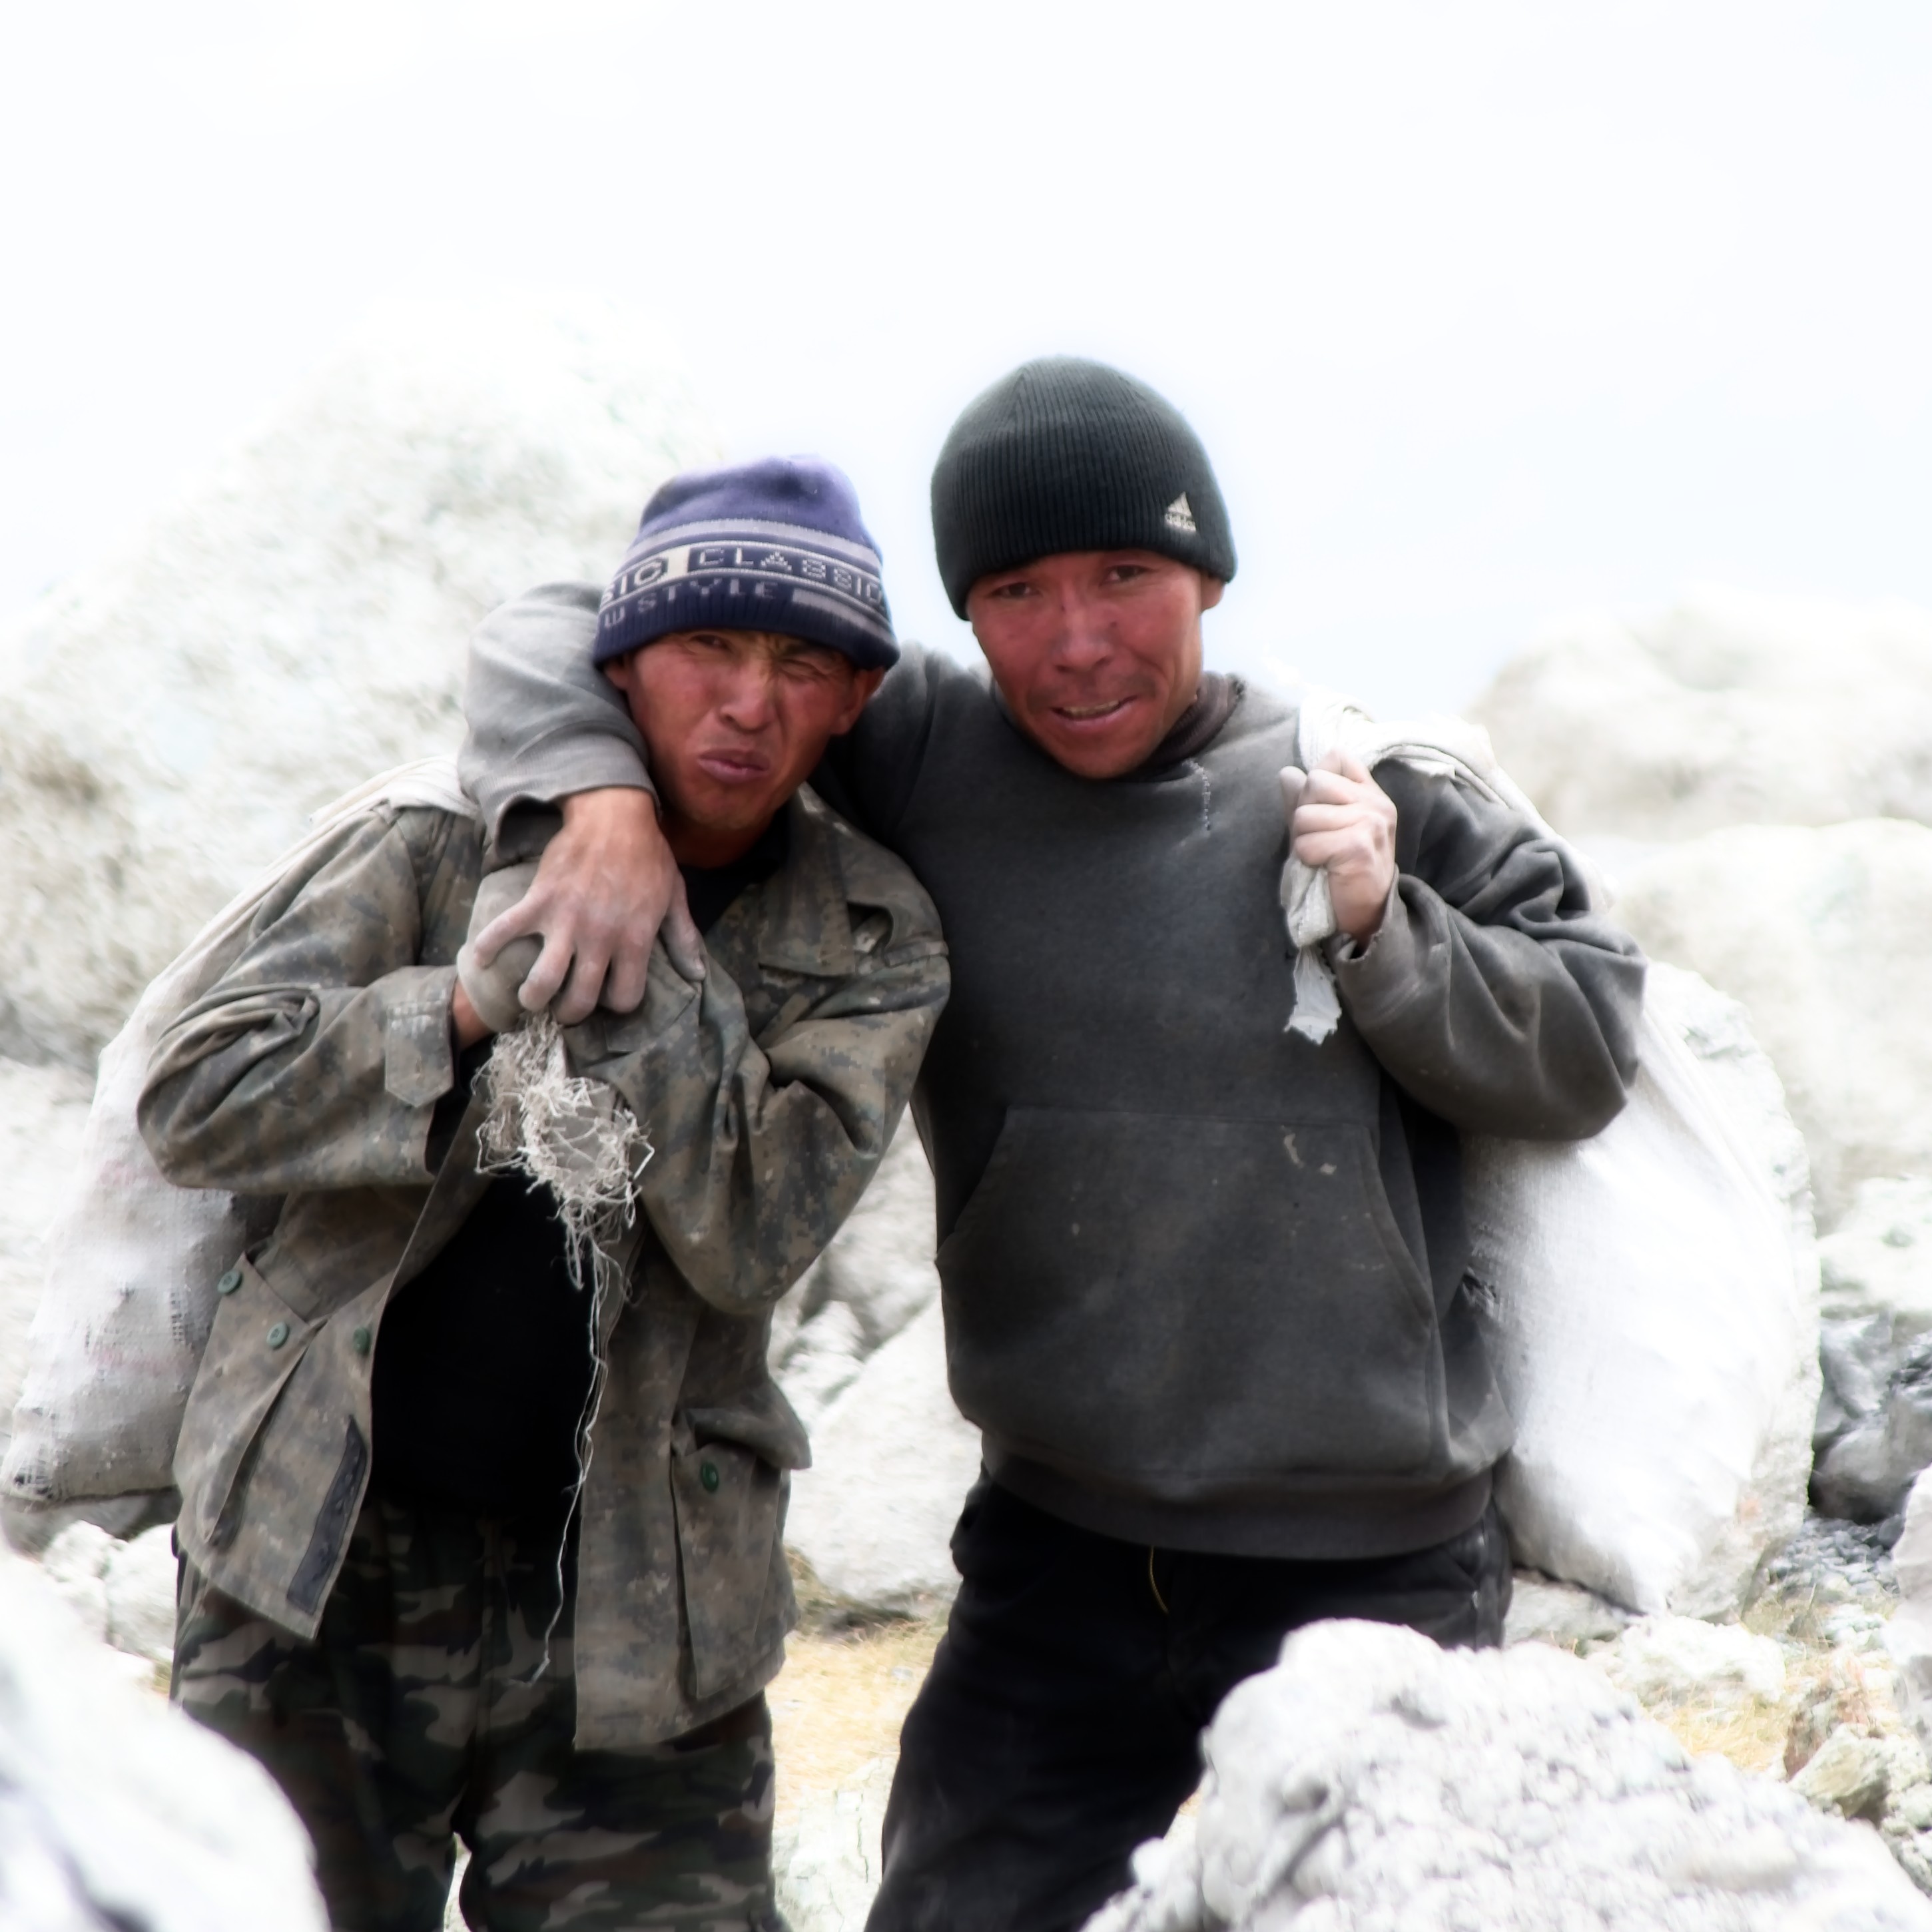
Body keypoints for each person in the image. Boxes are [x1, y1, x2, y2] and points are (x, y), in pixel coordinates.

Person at [453, 360, 1648, 1932]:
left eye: (1123, 575)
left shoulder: (1368, 784)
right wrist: (600, 794)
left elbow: (1587, 1048)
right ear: (964, 614)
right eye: (1016, 592)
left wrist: (1381, 926)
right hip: (1055, 1559)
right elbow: (553, 624)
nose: (1075, 640)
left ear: (1206, 575)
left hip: (1372, 1562)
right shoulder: (927, 754)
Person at [137, 457, 949, 1932]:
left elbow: (751, 1235)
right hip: (317, 1560)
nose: (748, 703)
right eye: (708, 647)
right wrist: (459, 1005)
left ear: (854, 700)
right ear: (619, 662)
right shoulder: (438, 838)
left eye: (799, 665)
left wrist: (637, 935)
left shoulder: (873, 934)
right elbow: (196, 1094)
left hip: (643, 1613)